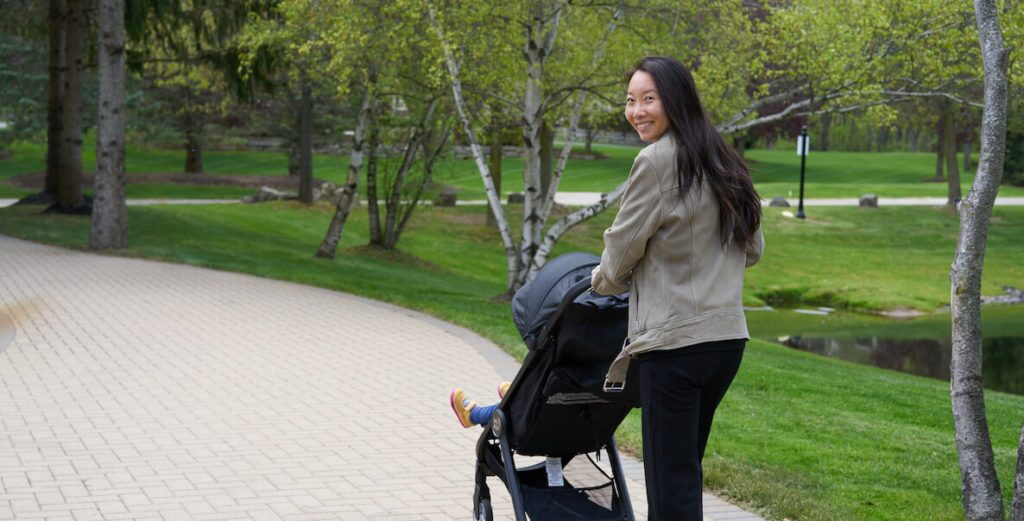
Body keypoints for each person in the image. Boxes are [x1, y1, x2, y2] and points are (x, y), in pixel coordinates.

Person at [590, 56, 764, 521]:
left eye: (649, 98)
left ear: (676, 99)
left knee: (670, 488)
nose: (637, 110)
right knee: (683, 473)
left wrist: (602, 281)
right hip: (726, 343)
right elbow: (752, 248)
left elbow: (621, 251)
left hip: (676, 346)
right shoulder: (723, 157)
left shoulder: (655, 161)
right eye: (630, 100)